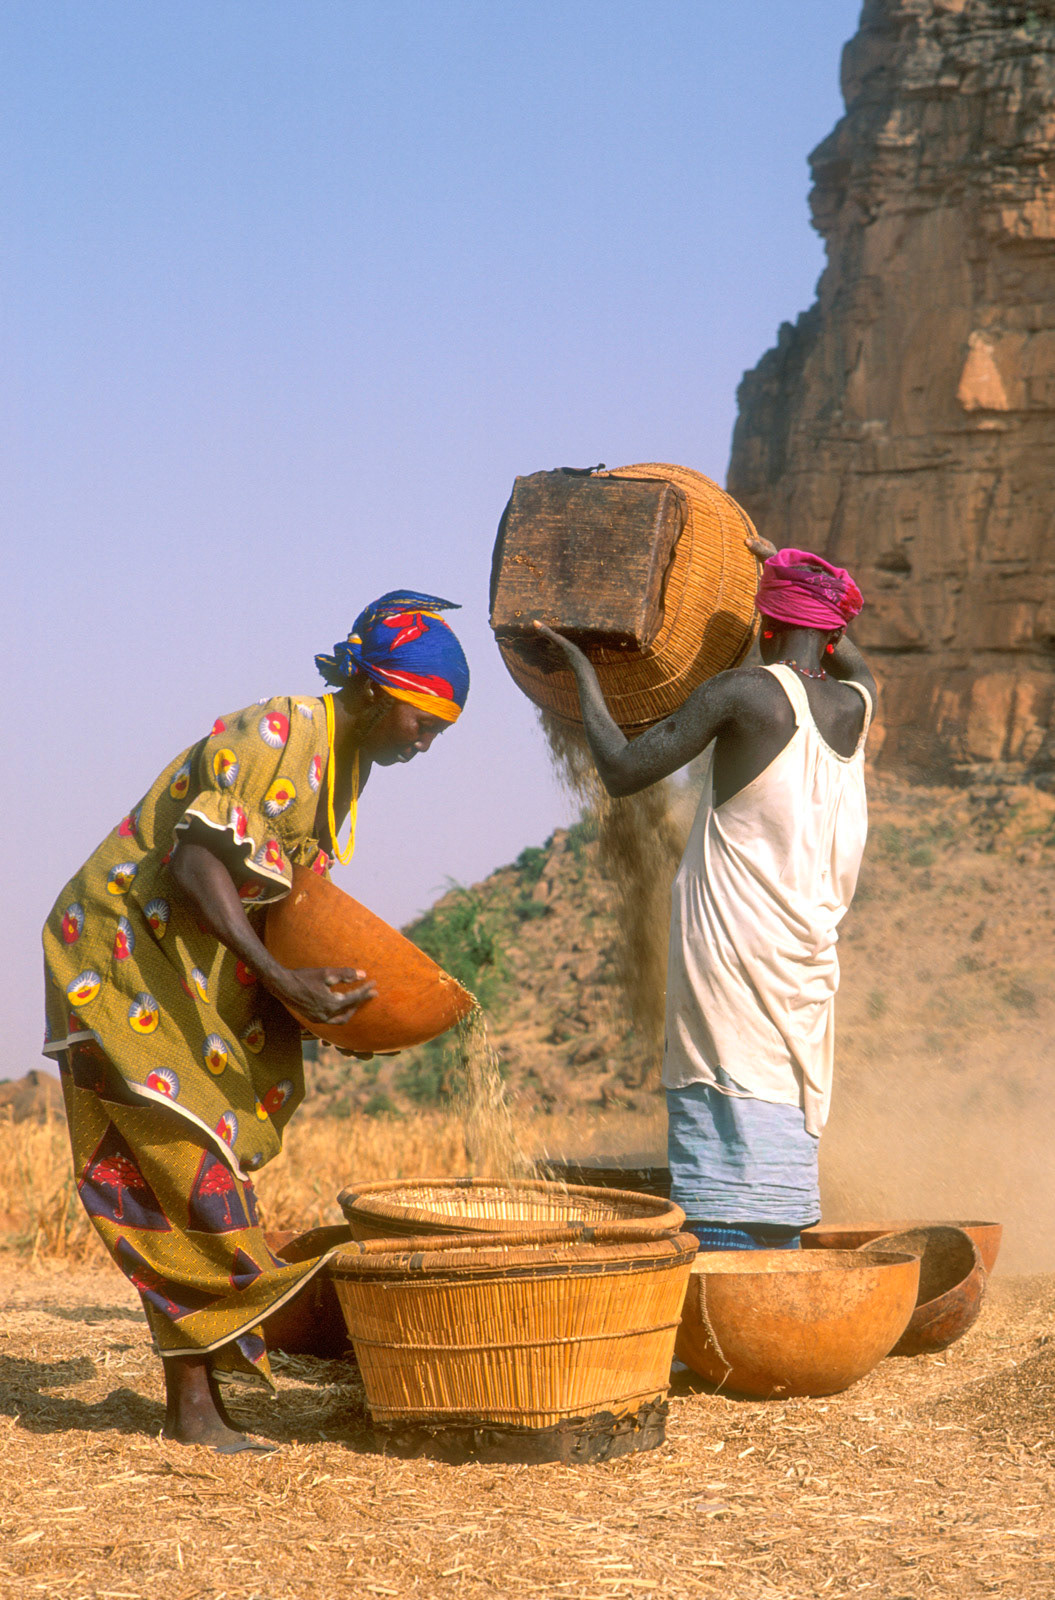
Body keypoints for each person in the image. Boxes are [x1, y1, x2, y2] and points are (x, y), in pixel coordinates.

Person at [42, 590, 469, 1452]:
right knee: (180, 1162)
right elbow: (200, 859)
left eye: (439, 729)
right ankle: (192, 1411)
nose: (425, 741)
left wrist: (324, 1012)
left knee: (209, 1161)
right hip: (121, 962)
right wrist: (280, 977)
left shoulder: (340, 770)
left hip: (188, 975)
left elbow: (281, 902)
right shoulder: (277, 731)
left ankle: (198, 1402)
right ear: (377, 690)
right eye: (421, 719)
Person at [536, 541, 875, 1251]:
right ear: (834, 630)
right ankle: (766, 1308)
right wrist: (791, 573)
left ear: (764, 627)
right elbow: (847, 655)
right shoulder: (856, 704)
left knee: (718, 1127)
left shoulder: (743, 693)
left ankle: (720, 1313)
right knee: (774, 1127)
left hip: (729, 953)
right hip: (802, 968)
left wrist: (579, 672)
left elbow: (626, 771)